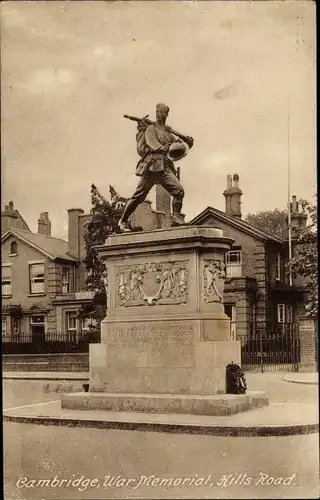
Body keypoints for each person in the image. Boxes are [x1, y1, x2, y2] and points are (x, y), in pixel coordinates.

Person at [118, 103, 193, 232]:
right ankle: (123, 221)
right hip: (152, 167)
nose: (158, 114)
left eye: (161, 112)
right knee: (139, 196)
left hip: (165, 168)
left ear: (166, 114)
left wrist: (188, 143)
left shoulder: (168, 132)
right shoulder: (151, 128)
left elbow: (178, 148)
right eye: (157, 111)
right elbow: (151, 141)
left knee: (179, 191)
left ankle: (175, 217)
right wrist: (160, 147)